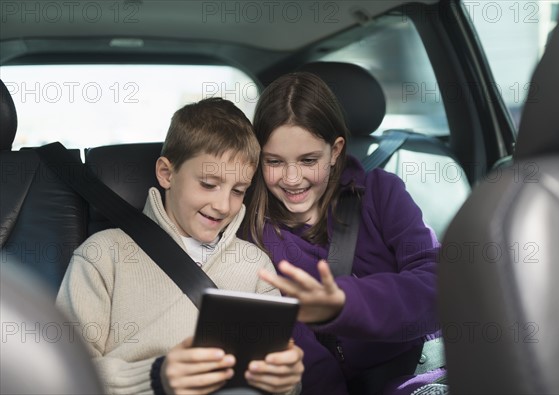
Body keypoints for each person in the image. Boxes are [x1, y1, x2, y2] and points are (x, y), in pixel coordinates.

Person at [56, 98, 304, 395]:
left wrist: (286, 381)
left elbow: (278, 377)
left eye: (238, 191)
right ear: (166, 173)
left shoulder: (255, 265)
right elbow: (62, 371)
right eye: (209, 184)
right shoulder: (103, 255)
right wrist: (155, 377)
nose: (223, 205)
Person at [242, 73, 445, 395]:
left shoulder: (381, 193)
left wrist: (345, 304)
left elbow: (438, 287)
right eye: (274, 162)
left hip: (420, 374)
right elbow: (286, 340)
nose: (292, 178)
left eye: (309, 160)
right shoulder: (252, 231)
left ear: (335, 151)